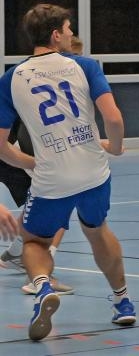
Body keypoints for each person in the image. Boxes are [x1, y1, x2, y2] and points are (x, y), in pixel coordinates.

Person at [0, 4, 136, 341]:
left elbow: (2, 148)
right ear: (56, 34)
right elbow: (114, 119)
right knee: (98, 230)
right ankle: (123, 302)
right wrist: (116, 147)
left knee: (34, 242)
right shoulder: (85, 66)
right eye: (68, 28)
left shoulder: (10, 79)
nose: (72, 33)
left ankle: (43, 288)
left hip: (51, 179)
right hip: (93, 173)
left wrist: (30, 163)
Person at [1, 36, 85, 294]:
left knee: (40, 207)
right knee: (57, 205)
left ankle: (16, 254)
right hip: (15, 153)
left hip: (15, 153)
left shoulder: (26, 77)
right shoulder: (42, 86)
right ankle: (40, 274)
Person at [0, 119, 74, 295]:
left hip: (11, 148)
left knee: (41, 202)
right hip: (12, 150)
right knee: (60, 198)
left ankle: (16, 255)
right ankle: (39, 275)